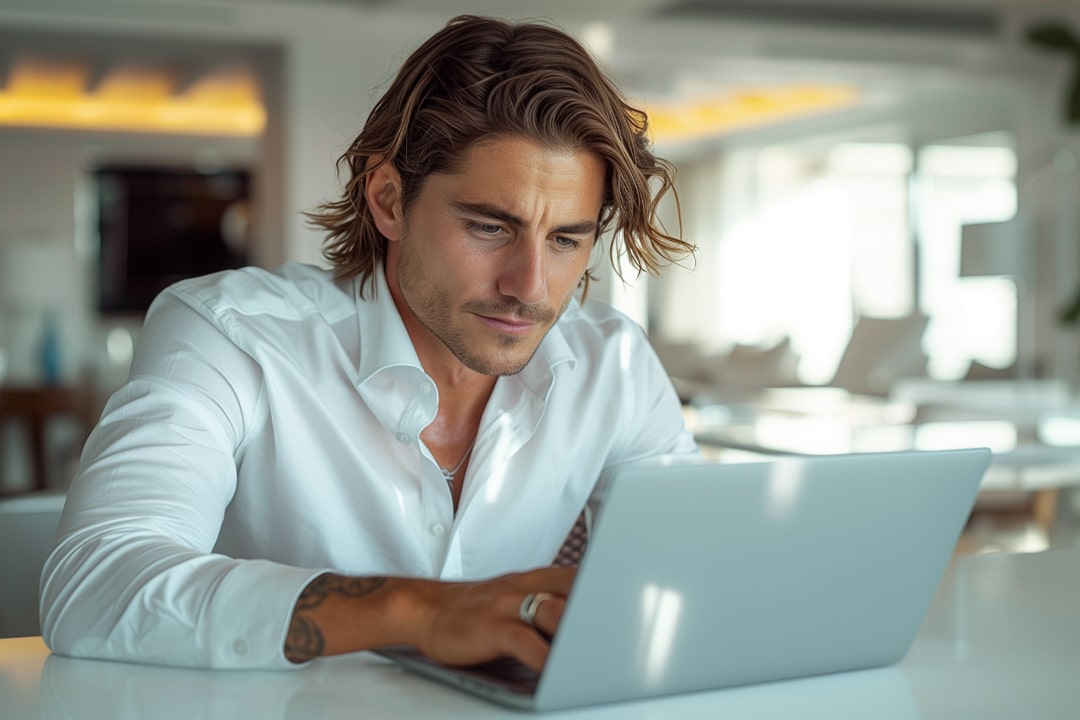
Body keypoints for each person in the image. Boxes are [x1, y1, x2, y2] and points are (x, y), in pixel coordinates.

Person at [40, 15, 699, 673]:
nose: (529, 286)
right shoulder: (230, 334)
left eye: (565, 240)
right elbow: (95, 584)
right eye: (490, 228)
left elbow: (691, 584)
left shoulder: (615, 366)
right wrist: (418, 612)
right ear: (388, 200)